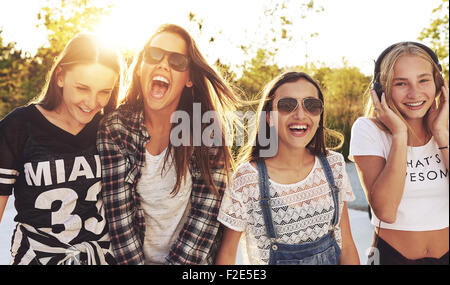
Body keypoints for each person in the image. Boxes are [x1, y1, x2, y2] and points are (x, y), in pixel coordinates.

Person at [97, 24, 241, 265]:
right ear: (141, 66)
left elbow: (204, 219)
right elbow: (119, 222)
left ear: (189, 79)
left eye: (177, 61)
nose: (163, 64)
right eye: (154, 55)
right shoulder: (116, 129)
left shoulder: (206, 130)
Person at [0, 33, 123, 265]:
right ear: (60, 77)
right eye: (82, 87)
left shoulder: (111, 128)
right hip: (35, 258)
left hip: (102, 258)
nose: (92, 102)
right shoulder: (18, 127)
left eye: (104, 92)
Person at [216, 71, 360, 265]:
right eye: (286, 106)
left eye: (311, 105)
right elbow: (226, 256)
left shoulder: (334, 165)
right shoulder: (248, 179)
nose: (300, 114)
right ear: (269, 117)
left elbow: (347, 246)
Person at [349, 42, 449, 265]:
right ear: (382, 88)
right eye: (401, 83)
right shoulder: (368, 130)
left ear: (439, 83)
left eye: (423, 80)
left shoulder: (446, 126)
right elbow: (386, 211)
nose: (415, 93)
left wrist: (441, 133)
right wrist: (399, 134)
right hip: (393, 257)